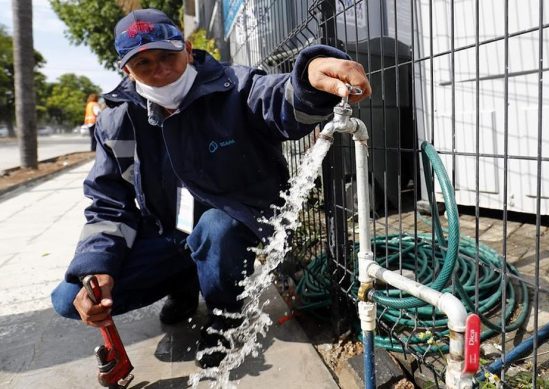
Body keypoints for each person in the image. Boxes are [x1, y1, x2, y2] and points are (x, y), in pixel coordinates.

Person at [51, 8, 371, 368]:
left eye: (167, 56)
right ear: (126, 70)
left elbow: (279, 99)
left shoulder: (234, 86)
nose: (158, 70)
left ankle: (225, 318)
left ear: (187, 49)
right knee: (70, 298)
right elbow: (108, 204)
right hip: (172, 230)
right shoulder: (117, 119)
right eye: (143, 64)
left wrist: (308, 80)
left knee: (216, 228)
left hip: (234, 222)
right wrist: (96, 268)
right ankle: (184, 282)